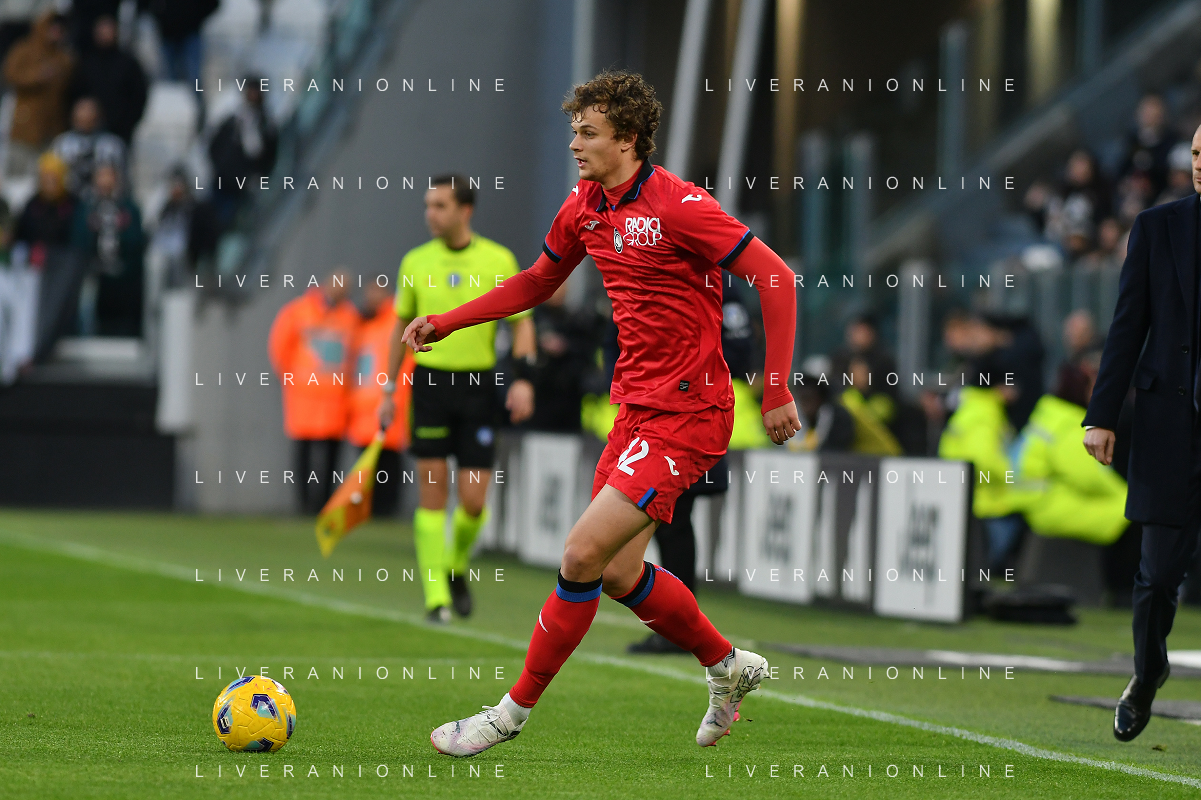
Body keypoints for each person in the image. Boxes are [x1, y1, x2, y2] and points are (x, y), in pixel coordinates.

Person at [404, 71, 799, 757]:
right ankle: (726, 664)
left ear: (628, 138)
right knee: (616, 572)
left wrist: (775, 388)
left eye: (587, 133)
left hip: (689, 410)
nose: (574, 144)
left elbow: (776, 277)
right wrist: (448, 320)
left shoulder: (679, 205)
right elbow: (538, 280)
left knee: (580, 554)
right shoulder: (584, 205)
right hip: (634, 411)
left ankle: (508, 715)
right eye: (574, 130)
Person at [1082, 121, 1201, 742]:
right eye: (1197, 152)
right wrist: (1101, 414)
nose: (1200, 163)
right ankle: (1147, 674)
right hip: (1169, 429)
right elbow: (1128, 324)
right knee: (1156, 576)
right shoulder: (1158, 226)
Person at [377, 175, 536, 624]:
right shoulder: (415, 261)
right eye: (428, 205)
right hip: (429, 386)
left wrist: (523, 380)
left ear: (466, 210)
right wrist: (387, 391)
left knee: (473, 503)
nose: (430, 214)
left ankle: (455, 565)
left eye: (440, 205)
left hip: (478, 388)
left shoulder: (498, 259)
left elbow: (521, 323)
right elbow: (400, 327)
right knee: (432, 492)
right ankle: (436, 599)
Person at [267, 267, 360, 515]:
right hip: (304, 396)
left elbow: (356, 355)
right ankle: (304, 504)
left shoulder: (350, 316)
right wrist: (292, 378)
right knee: (304, 451)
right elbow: (279, 347)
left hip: (335, 399)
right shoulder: (298, 311)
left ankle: (324, 503)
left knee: (331, 454)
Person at [348, 281, 415, 519]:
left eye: (376, 291)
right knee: (367, 462)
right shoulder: (364, 324)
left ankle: (387, 508)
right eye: (368, 292)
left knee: (388, 459)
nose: (371, 297)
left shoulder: (397, 322)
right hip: (363, 407)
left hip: (390, 400)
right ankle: (370, 507)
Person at [69, 163, 145, 336]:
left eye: (109, 176)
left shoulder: (128, 208)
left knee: (121, 319)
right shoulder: (87, 208)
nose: (105, 181)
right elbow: (78, 240)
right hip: (93, 273)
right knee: (87, 306)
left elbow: (136, 241)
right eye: (101, 176)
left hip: (121, 276)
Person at [2, 11, 73, 175]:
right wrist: (38, 75)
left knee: (47, 175)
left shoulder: (64, 57)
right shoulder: (25, 49)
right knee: (18, 176)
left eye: (60, 30)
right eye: (53, 28)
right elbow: (10, 74)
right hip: (25, 126)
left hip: (51, 128)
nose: (56, 33)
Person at [208, 76, 278, 230]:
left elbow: (268, 155)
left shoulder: (266, 124)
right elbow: (214, 144)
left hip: (242, 188)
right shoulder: (234, 120)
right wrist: (218, 165)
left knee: (229, 224)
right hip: (221, 181)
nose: (252, 95)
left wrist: (255, 176)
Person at [68, 15, 148, 144]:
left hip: (120, 132)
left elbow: (138, 96)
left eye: (109, 30)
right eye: (102, 30)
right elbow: (76, 94)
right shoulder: (86, 63)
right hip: (87, 134)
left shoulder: (128, 64)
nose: (105, 35)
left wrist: (126, 124)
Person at [51, 96, 126, 196]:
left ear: (98, 116)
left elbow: (121, 179)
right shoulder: (62, 143)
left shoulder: (112, 144)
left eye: (89, 111)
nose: (85, 115)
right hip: (67, 200)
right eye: (81, 110)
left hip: (102, 199)